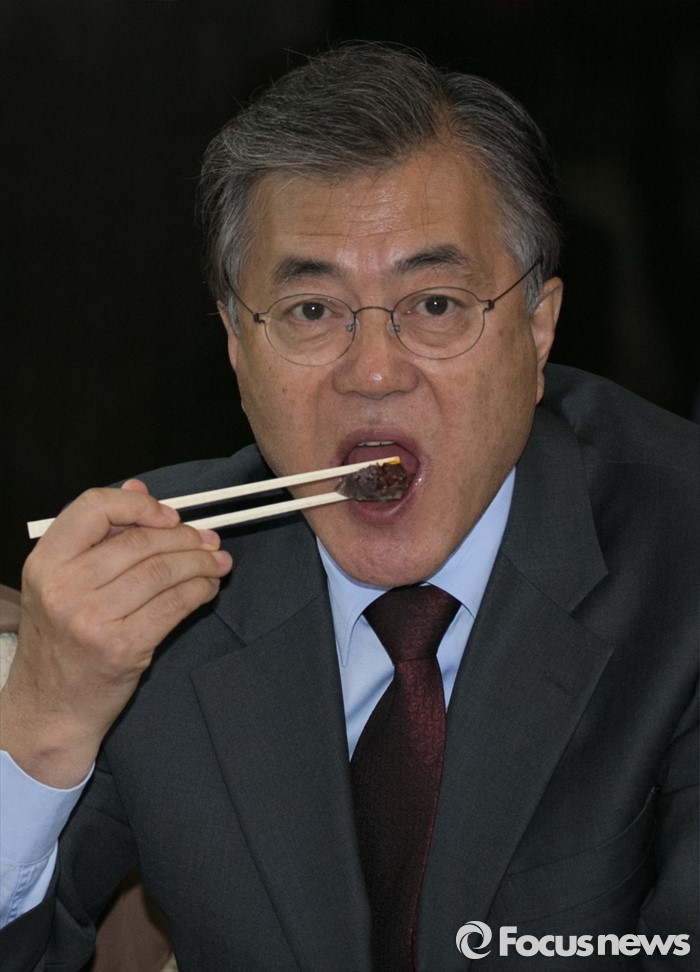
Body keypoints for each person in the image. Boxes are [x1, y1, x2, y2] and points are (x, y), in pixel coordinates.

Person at [1, 42, 698, 972]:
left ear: (538, 331)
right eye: (310, 312)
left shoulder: (681, 553)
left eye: (436, 304)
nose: (373, 373)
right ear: (236, 344)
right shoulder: (164, 583)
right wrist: (43, 721)